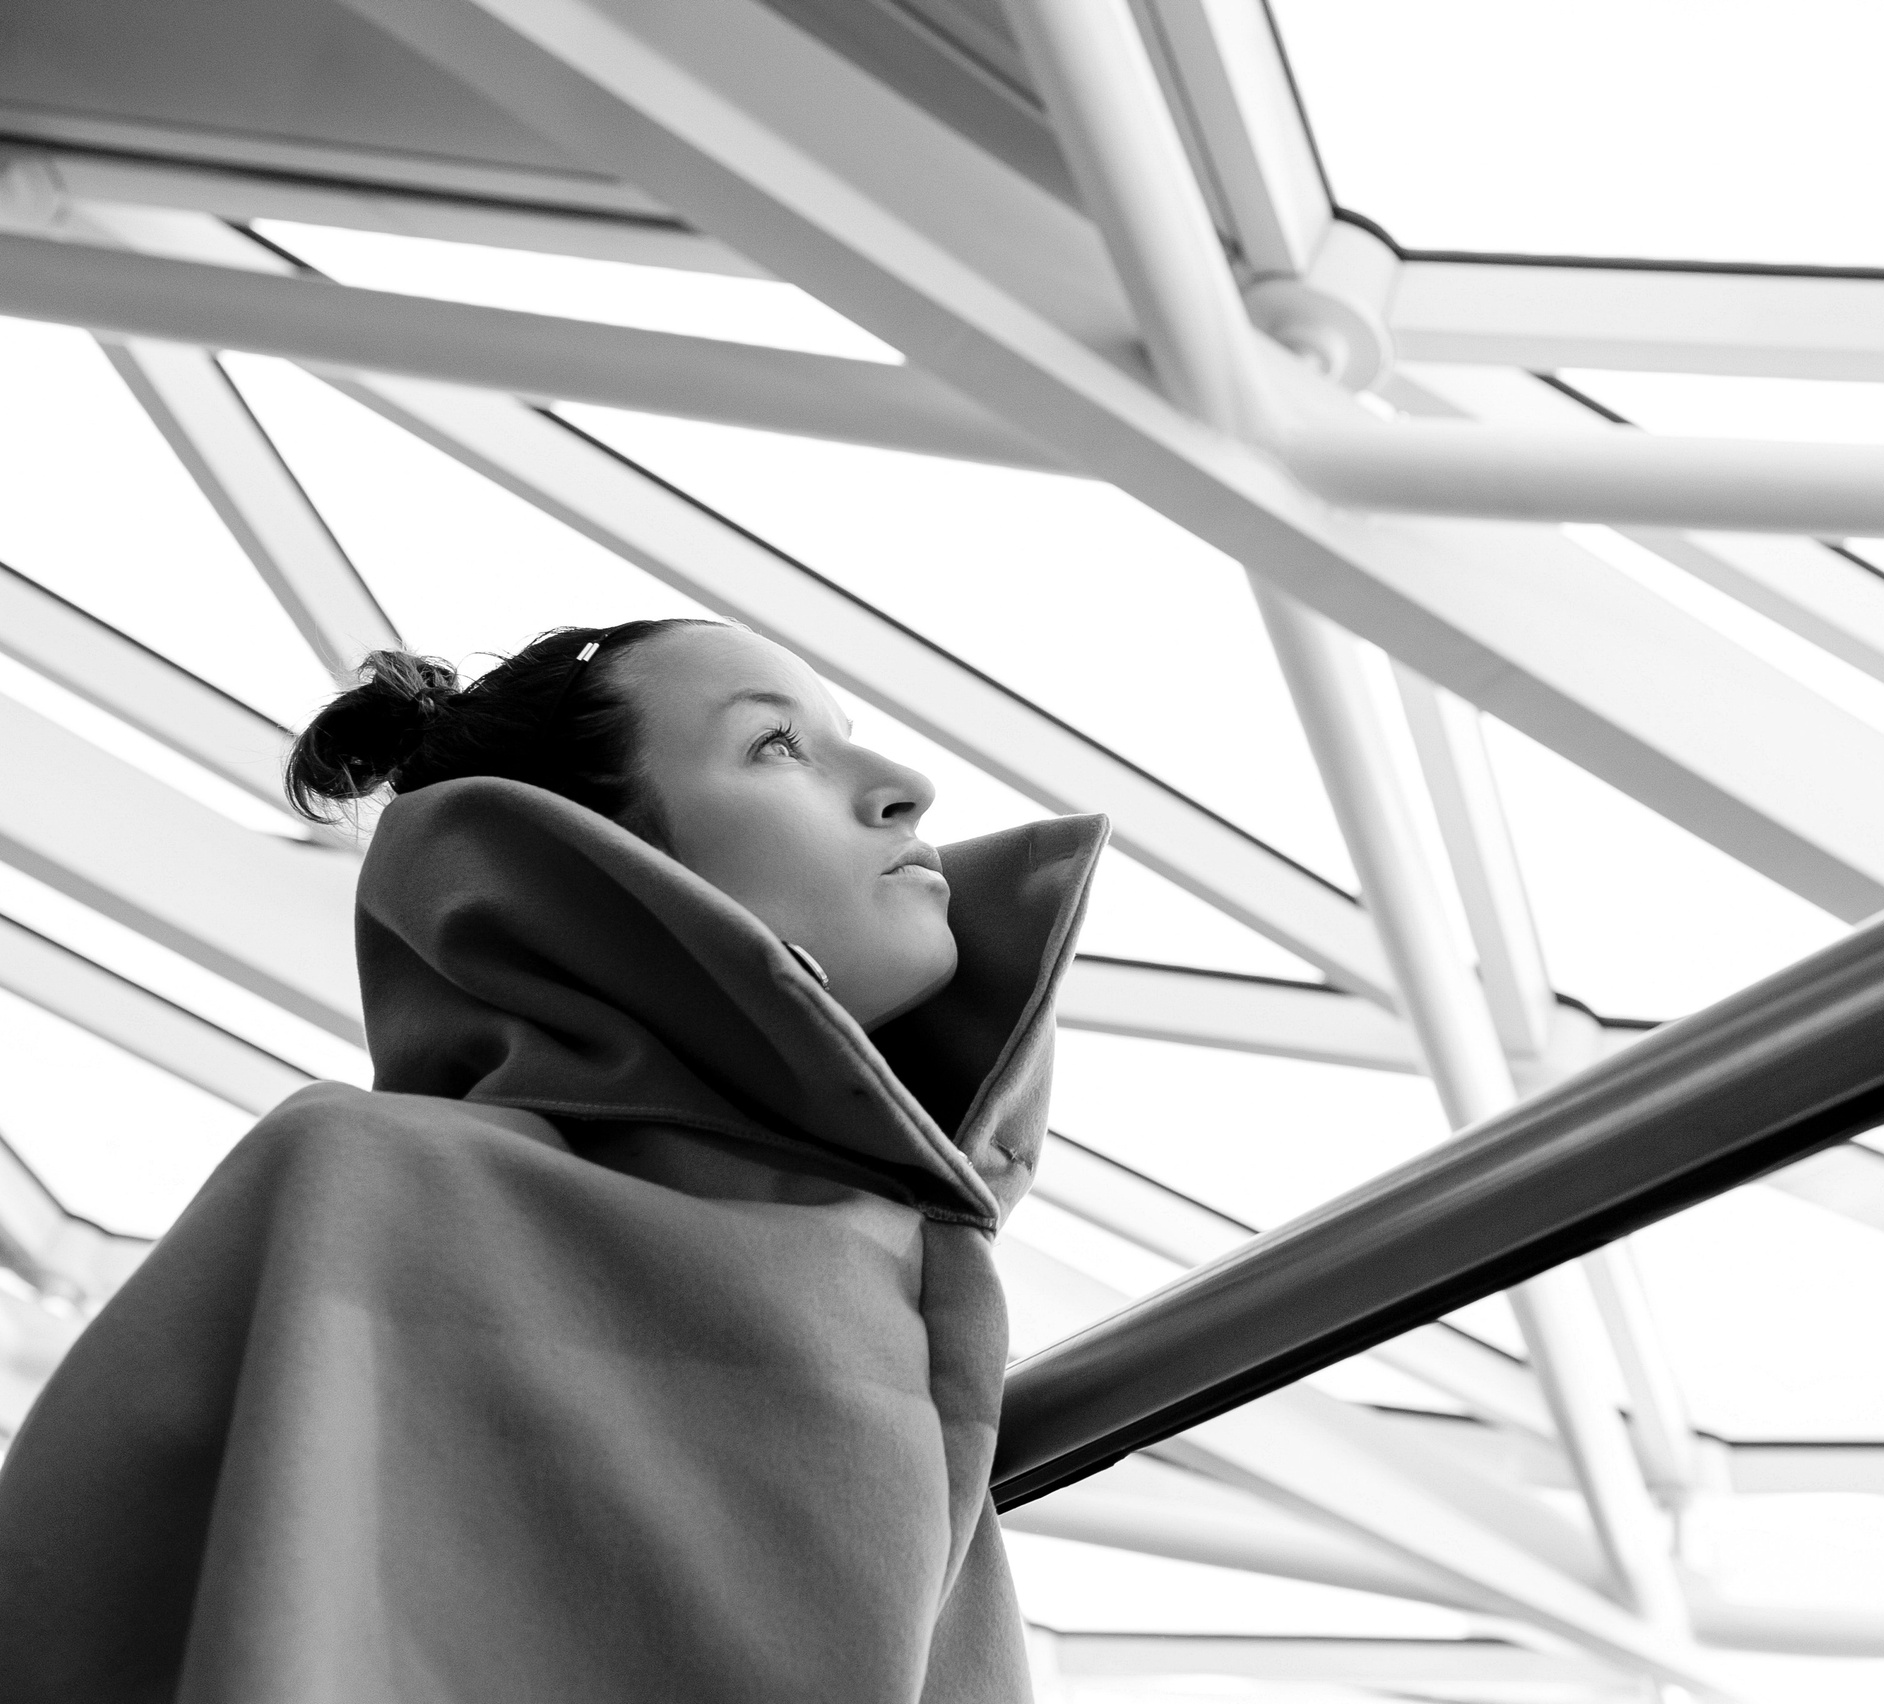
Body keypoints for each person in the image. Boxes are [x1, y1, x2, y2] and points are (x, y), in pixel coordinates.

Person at [0, 619, 1106, 1704]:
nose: (908, 784)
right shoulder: (369, 1188)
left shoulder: (917, 1290)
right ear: (596, 863)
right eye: (776, 744)